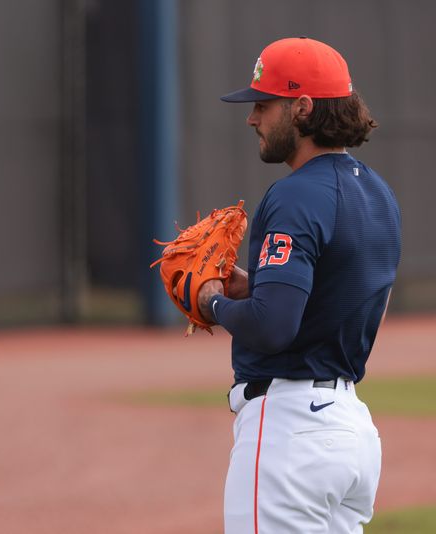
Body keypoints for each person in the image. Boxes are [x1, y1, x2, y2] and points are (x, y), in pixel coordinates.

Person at [201, 38, 401, 533]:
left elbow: (272, 328)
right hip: (350, 431)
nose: (253, 119)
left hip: (290, 437)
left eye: (264, 105)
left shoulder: (293, 195)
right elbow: (347, 298)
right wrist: (257, 287)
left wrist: (213, 303)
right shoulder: (378, 193)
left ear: (303, 108)